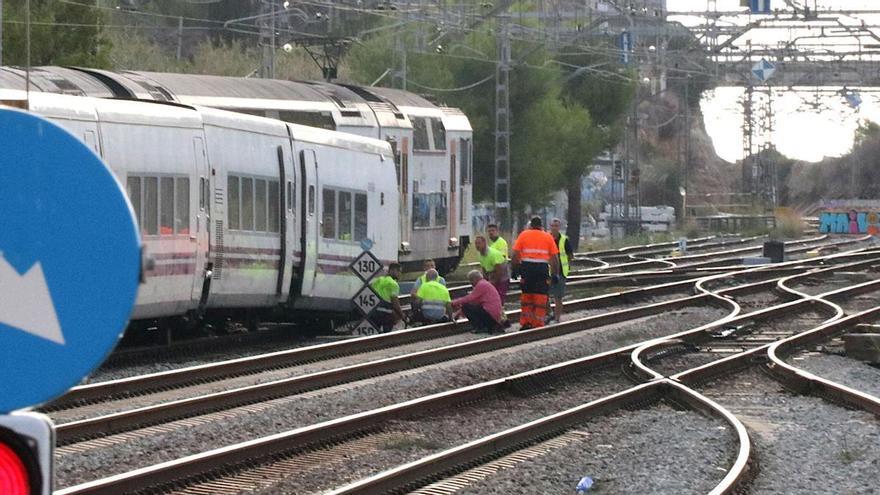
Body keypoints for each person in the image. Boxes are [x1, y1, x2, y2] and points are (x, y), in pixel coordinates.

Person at [512, 216, 560, 330]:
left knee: (526, 296)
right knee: (540, 296)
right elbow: (554, 259)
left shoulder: (523, 235)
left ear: (531, 225)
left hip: (526, 268)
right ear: (541, 225)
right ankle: (538, 323)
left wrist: (515, 270)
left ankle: (526, 322)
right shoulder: (548, 237)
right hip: (541, 269)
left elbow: (515, 255)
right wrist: (555, 274)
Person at [451, 270, 504, 334]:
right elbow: (474, 302)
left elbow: (469, 298)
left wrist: (453, 302)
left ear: (475, 278)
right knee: (467, 306)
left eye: (471, 280)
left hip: (490, 314)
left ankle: (480, 327)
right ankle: (484, 326)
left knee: (466, 306)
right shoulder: (485, 284)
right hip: (494, 315)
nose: (471, 283)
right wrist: (458, 313)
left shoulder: (481, 285)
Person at [548, 218, 574, 323]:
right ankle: (550, 314)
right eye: (553, 225)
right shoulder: (546, 238)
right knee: (545, 295)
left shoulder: (564, 240)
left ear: (559, 227)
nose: (554, 228)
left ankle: (557, 318)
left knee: (558, 297)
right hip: (547, 271)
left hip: (561, 272)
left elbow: (570, 255)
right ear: (550, 226)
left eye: (556, 226)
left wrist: (564, 263)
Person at [369, 263, 406, 332]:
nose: (400, 274)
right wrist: (402, 315)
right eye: (399, 271)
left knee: (376, 333)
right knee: (387, 333)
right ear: (392, 270)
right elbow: (395, 303)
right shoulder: (393, 284)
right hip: (385, 312)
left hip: (373, 311)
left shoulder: (378, 280)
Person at [474, 235, 509, 301]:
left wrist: (492, 283)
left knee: (498, 298)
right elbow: (484, 269)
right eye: (476, 243)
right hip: (491, 275)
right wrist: (485, 282)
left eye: (479, 243)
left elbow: (499, 271)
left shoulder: (493, 254)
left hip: (502, 278)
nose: (477, 246)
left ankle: (500, 309)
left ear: (484, 243)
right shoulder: (480, 255)